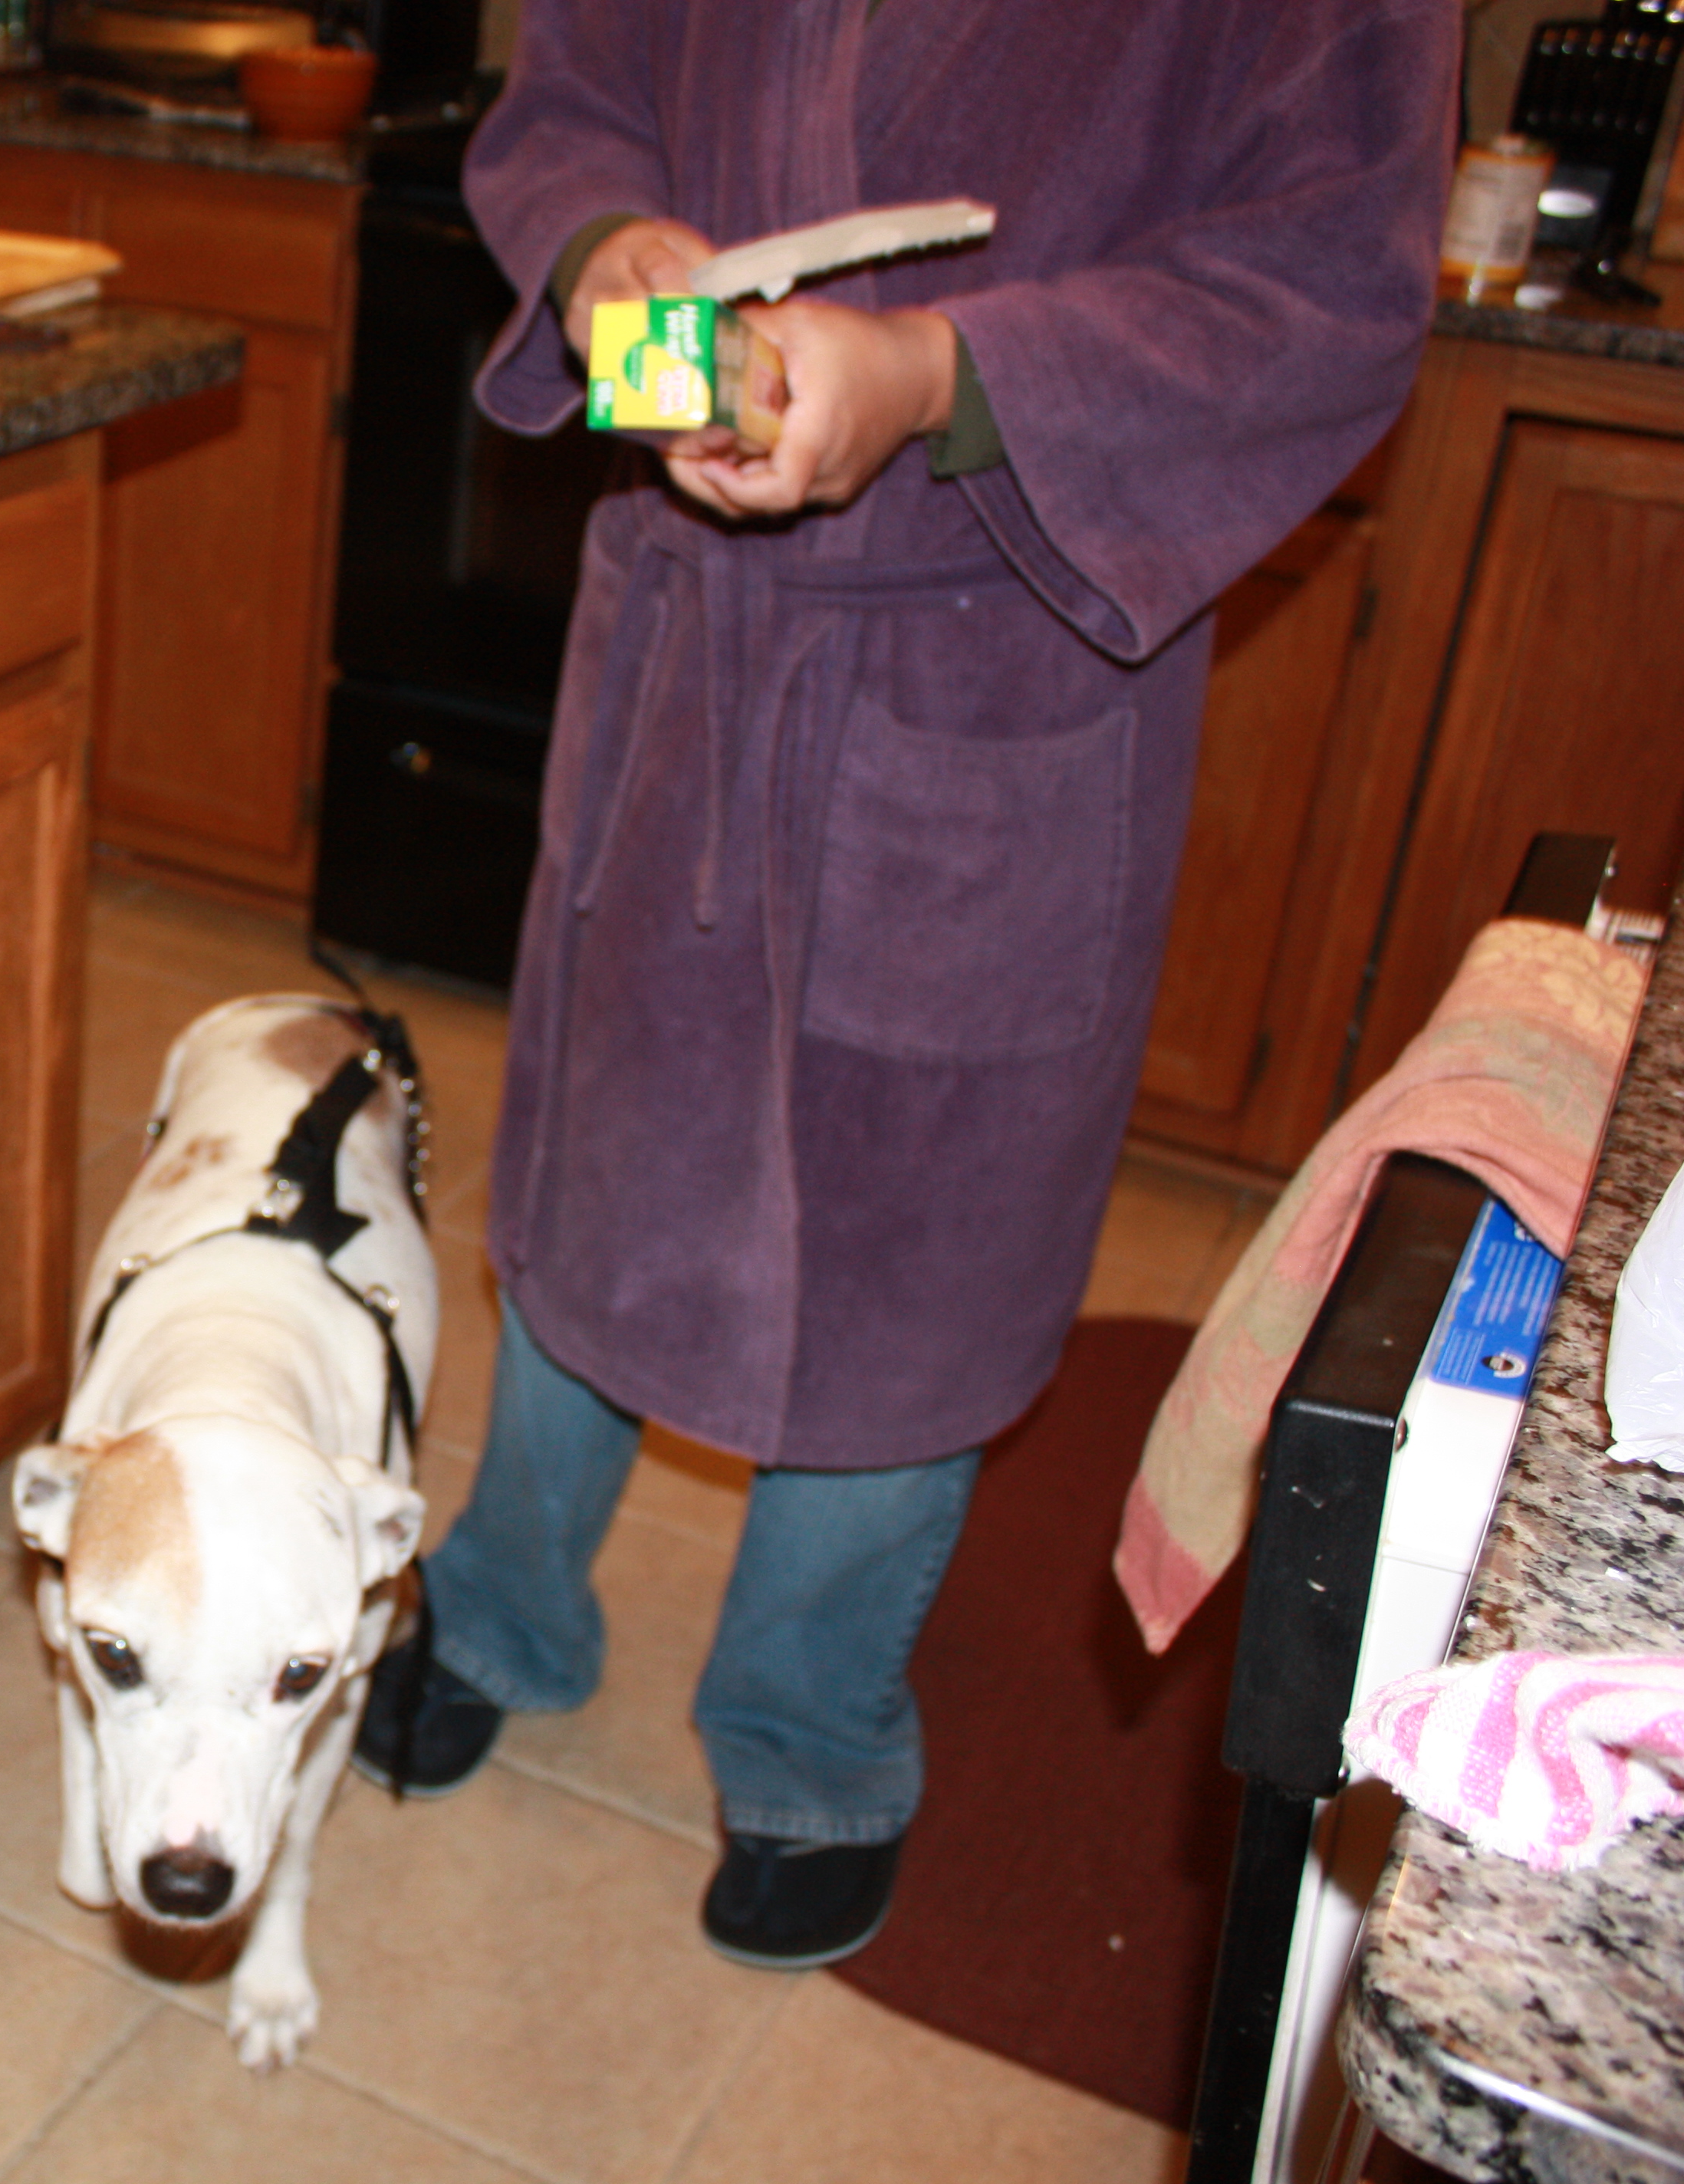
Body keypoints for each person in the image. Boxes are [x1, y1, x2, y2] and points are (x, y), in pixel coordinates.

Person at [349, 0, 1460, 1971]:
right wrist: (614, 259)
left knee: (912, 1253)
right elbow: (579, 88)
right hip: (679, 629)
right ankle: (507, 1603)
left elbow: (1326, 276)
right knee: (604, 1169)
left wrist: (948, 374)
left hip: (1001, 642)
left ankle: (811, 1732)